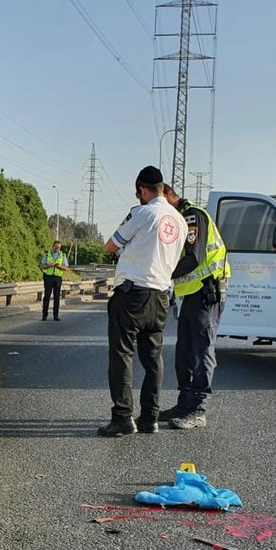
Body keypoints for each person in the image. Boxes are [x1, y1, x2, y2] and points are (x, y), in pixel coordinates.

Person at [98, 166, 186, 437]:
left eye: (139, 193)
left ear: (144, 190)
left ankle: (123, 418)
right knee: (153, 358)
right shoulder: (180, 220)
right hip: (161, 297)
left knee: (122, 355)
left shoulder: (142, 213)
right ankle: (150, 418)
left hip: (133, 295)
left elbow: (110, 246)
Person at [160, 184, 229, 430]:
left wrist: (162, 273)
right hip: (191, 294)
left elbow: (195, 257)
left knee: (201, 351)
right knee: (185, 354)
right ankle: (184, 404)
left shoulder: (192, 215)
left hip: (206, 292)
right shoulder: (179, 218)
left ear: (167, 197)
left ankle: (198, 409)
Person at [39, 240, 67, 320]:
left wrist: (58, 267)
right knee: (47, 296)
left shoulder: (63, 255)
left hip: (57, 277)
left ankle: (56, 315)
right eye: (56, 247)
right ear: (53, 246)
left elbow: (66, 268)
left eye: (59, 248)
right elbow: (41, 266)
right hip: (48, 277)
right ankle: (44, 315)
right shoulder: (47, 255)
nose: (57, 249)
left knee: (57, 297)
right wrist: (48, 266)